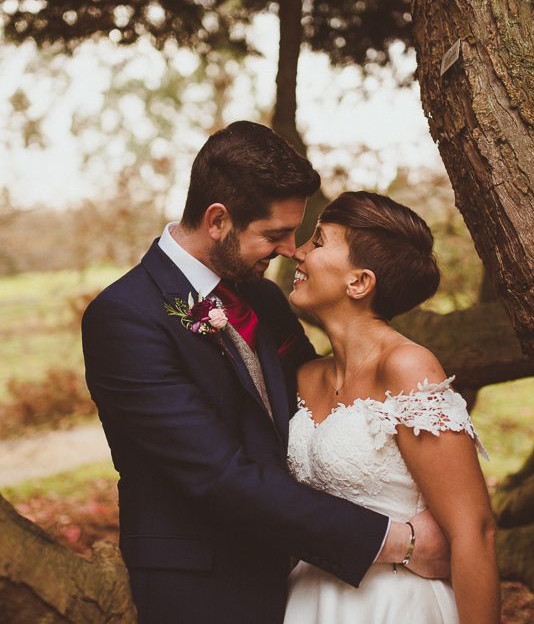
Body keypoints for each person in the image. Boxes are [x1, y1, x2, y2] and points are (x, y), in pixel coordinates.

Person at [81, 122, 449, 624]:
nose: (291, 249)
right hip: (203, 588)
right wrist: (395, 541)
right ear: (217, 221)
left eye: (297, 233)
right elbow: (217, 475)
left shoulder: (263, 298)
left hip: (304, 575)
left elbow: (323, 403)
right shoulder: (125, 316)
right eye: (274, 234)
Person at [285, 191, 501, 624]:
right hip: (308, 601)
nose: (298, 252)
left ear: (360, 282)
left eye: (318, 242)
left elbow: (475, 532)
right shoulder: (306, 376)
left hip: (393, 607)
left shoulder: (407, 367)